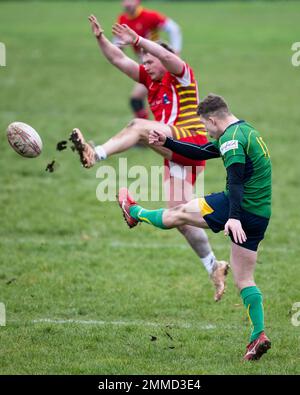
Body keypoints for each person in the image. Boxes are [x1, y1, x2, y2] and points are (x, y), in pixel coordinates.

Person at [70, 16, 229, 301]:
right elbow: (119, 60)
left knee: (137, 126)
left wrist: (140, 41)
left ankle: (96, 154)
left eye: (149, 60)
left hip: (189, 139)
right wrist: (100, 39)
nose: (145, 65)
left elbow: (167, 55)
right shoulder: (149, 80)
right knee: (180, 218)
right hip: (175, 152)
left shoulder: (180, 75)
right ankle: (213, 267)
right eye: (143, 61)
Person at [117, 94, 272, 361]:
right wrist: (168, 142)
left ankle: (135, 213)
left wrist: (233, 217)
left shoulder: (232, 140)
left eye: (205, 126)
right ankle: (258, 335)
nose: (205, 131)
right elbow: (202, 151)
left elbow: (235, 182)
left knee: (178, 213)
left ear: (213, 119)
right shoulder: (245, 131)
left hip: (238, 208)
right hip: (259, 214)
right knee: (245, 279)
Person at [114, 0, 182, 120]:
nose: (127, 3)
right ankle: (147, 129)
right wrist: (118, 47)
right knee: (138, 99)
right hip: (144, 62)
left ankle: (147, 129)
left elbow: (174, 28)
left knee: (138, 98)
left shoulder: (150, 16)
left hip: (157, 62)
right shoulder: (123, 19)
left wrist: (176, 51)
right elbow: (117, 41)